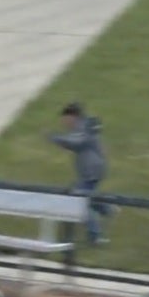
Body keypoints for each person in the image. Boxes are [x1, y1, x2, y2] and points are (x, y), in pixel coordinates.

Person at [48, 102, 117, 245]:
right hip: (93, 169)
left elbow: (76, 142)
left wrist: (55, 138)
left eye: (64, 118)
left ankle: (95, 236)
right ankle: (107, 209)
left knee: (79, 202)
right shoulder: (85, 126)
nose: (63, 122)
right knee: (84, 195)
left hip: (91, 170)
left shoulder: (82, 127)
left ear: (72, 116)